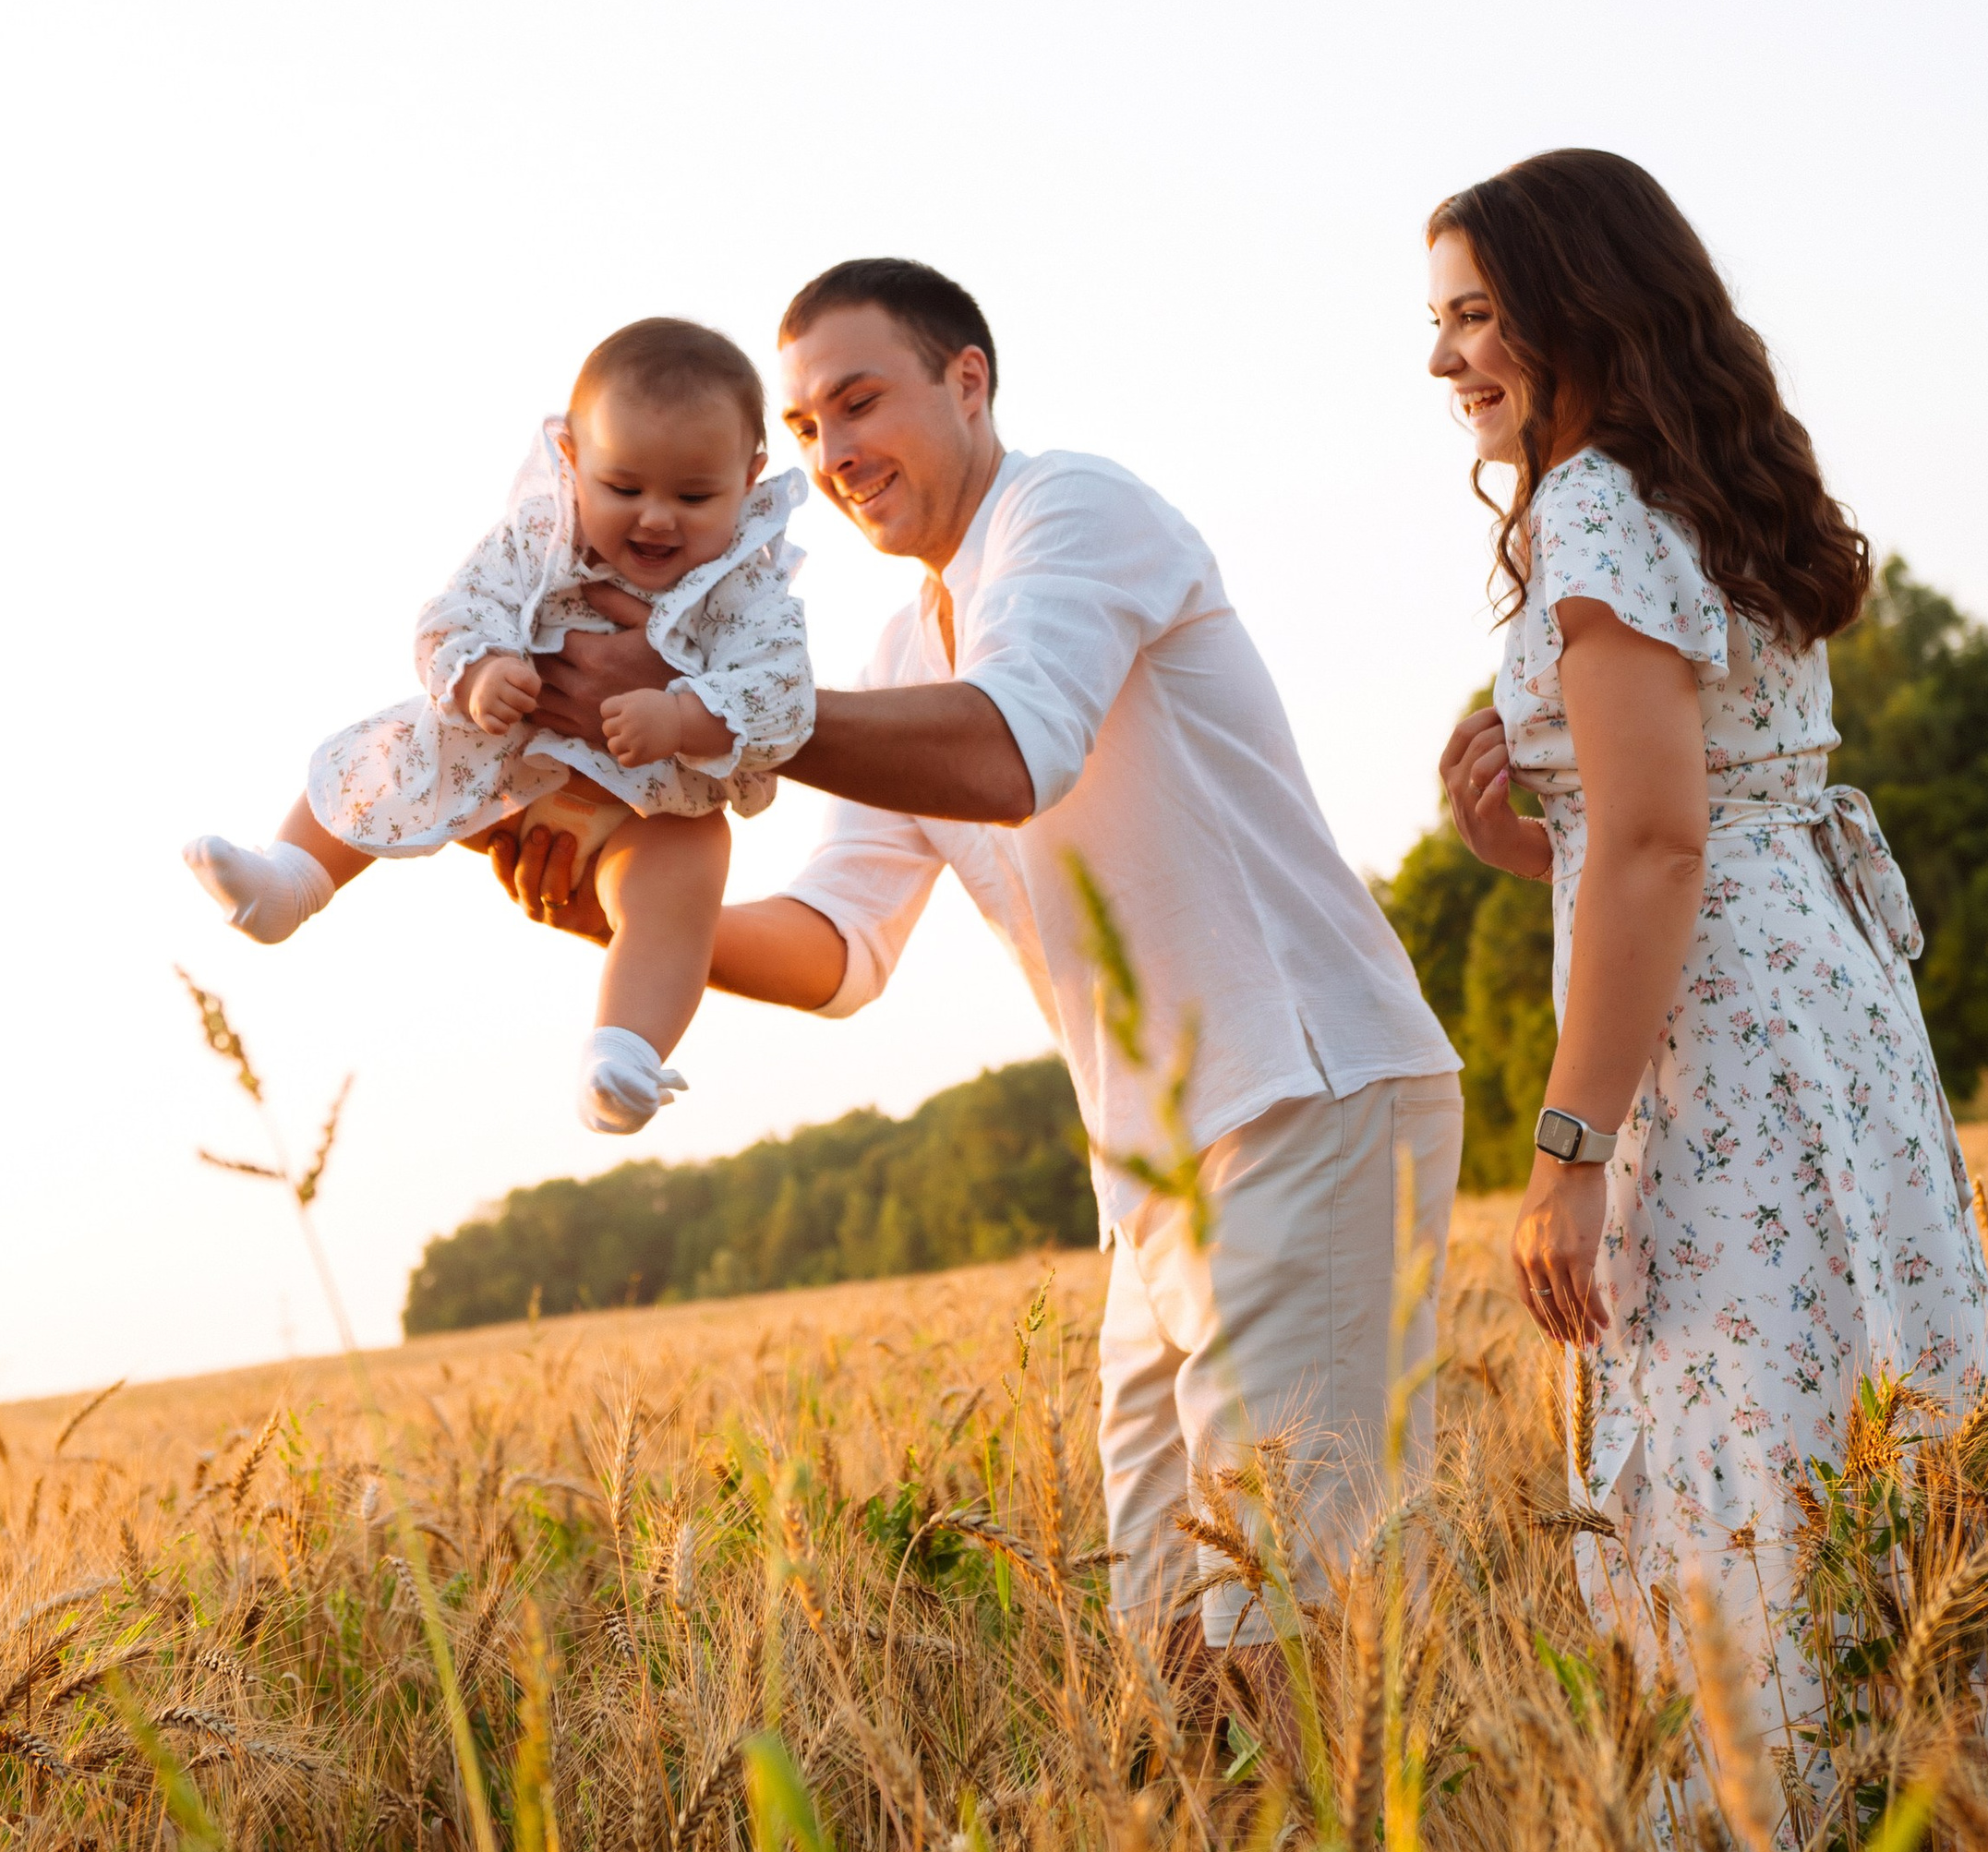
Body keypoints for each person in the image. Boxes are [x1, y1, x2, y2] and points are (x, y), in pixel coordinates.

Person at [493, 257, 1463, 1662]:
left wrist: (717, 714)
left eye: (859, 402)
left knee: (1297, 1646)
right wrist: (626, 913)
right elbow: (840, 948)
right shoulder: (896, 647)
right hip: (1152, 1174)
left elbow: (1015, 752)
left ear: (969, 381)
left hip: (1307, 1100)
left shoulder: (1076, 511)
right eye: (807, 428)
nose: (832, 452)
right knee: (1162, 1652)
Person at [1426, 150, 1988, 1753]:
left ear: (1571, 306)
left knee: (1742, 1422)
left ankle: (1791, 1847)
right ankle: (1937, 1809)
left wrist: (1569, 1145)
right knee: (1860, 1395)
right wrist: (1521, 848)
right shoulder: (1707, 488)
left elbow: (1669, 847)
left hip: (1719, 1040)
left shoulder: (1597, 504)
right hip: (1822, 999)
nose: (1443, 356)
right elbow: (1693, 825)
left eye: (1474, 314)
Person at [182, 317, 813, 1136]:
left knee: (687, 876)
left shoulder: (748, 589)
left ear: (750, 475)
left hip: (648, 807)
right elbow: (452, 613)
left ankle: (624, 1051)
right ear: (572, 461)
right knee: (402, 747)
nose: (657, 519)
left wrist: (686, 715)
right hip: (506, 775)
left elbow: (784, 696)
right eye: (624, 488)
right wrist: (479, 670)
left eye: (695, 496)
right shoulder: (536, 540)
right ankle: (291, 880)